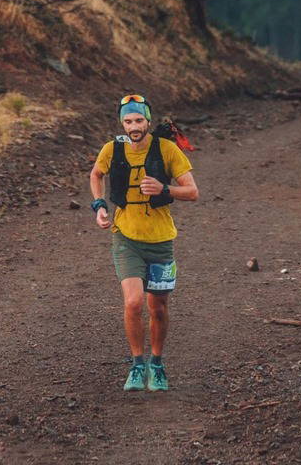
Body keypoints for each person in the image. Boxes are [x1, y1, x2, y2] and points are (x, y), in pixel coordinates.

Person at [89, 95, 199, 392]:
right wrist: (99, 205)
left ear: (148, 121)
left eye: (139, 121)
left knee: (158, 307)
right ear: (121, 123)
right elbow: (96, 174)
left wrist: (165, 188)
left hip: (161, 240)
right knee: (134, 301)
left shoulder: (167, 149)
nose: (134, 127)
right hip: (126, 238)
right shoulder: (113, 149)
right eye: (128, 121)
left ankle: (157, 363)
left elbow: (193, 191)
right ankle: (137, 365)